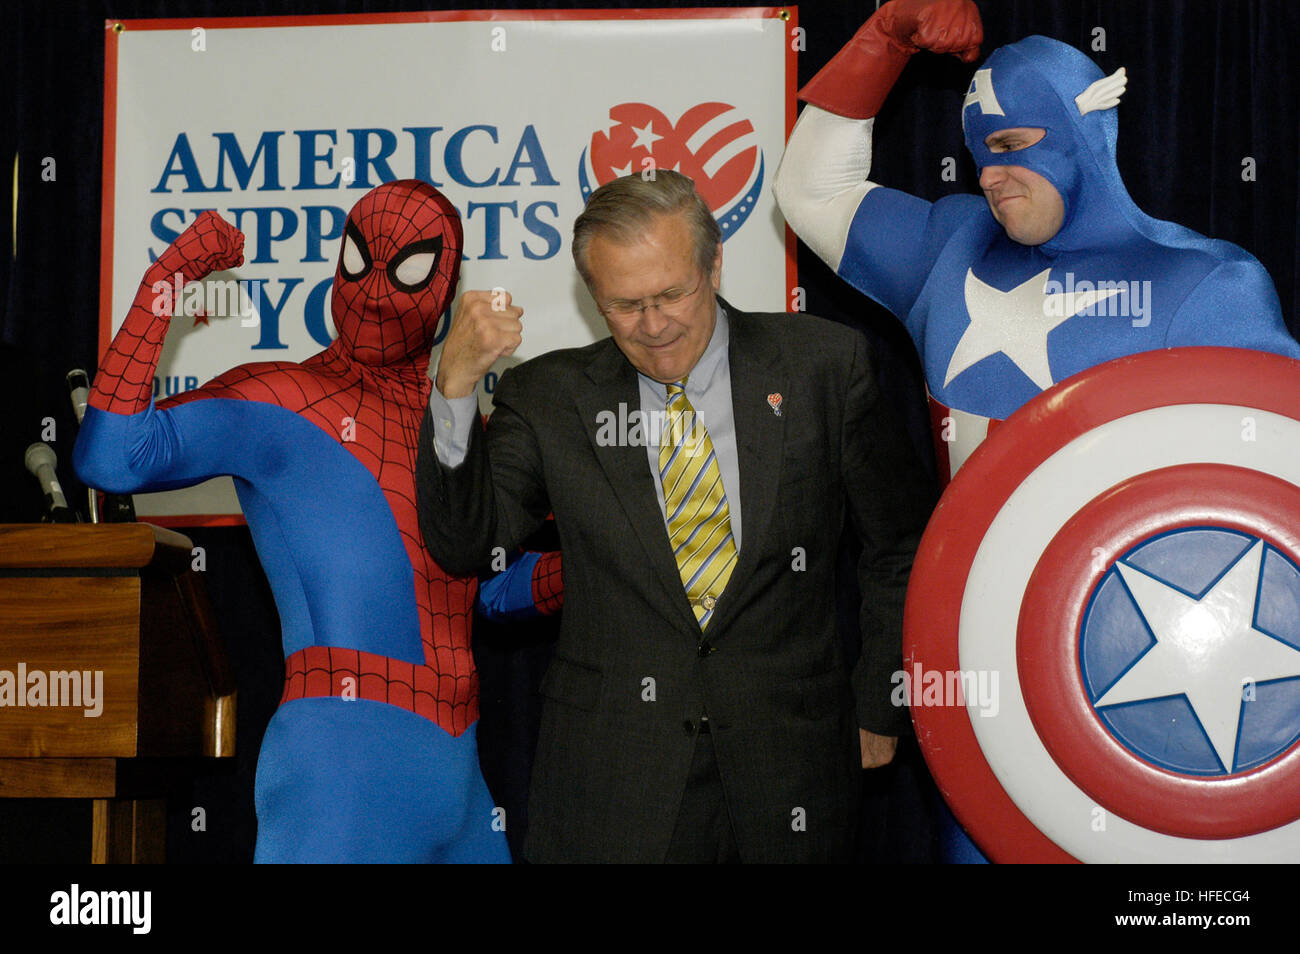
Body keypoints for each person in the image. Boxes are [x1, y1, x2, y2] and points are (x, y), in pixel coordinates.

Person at [416, 169, 931, 863]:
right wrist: (453, 389)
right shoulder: (548, 397)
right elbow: (466, 543)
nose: (654, 327)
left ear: (713, 264)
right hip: (614, 784)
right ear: (591, 296)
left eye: (672, 294)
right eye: (625, 305)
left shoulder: (823, 367)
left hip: (794, 770)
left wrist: (879, 704)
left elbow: (900, 547)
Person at [74, 180, 551, 863]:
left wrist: (623, 565)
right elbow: (110, 456)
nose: (376, 290)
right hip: (343, 762)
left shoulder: (452, 419)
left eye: (408, 268)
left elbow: (489, 585)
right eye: (360, 260)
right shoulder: (285, 398)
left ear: (444, 288)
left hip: (462, 774)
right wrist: (167, 279)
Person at [773, 0, 1300, 484]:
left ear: (1082, 132)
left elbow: (1275, 483)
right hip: (964, 586)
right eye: (980, 155)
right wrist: (884, 37)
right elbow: (810, 192)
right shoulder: (951, 247)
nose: (987, 176)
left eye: (1010, 144)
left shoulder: (1207, 285)